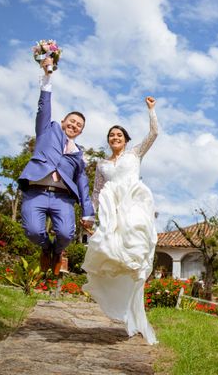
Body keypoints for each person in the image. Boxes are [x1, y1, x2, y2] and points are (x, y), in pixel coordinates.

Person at [82, 96, 159, 344]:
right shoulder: (102, 164)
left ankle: (138, 267)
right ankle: (120, 293)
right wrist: (90, 216)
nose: (114, 138)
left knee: (136, 238)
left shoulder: (136, 154)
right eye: (111, 136)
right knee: (111, 249)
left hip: (134, 204)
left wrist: (151, 110)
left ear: (125, 140)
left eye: (118, 135)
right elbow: (96, 192)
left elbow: (154, 133)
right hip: (111, 211)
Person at [18, 57, 95, 275]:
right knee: (33, 230)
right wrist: (47, 77)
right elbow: (43, 108)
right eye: (71, 121)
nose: (74, 125)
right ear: (63, 121)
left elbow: (82, 182)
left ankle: (58, 251)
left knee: (66, 234)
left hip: (63, 197)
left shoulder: (79, 154)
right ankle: (45, 248)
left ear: (80, 131)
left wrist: (88, 212)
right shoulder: (47, 130)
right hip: (36, 192)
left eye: (79, 125)